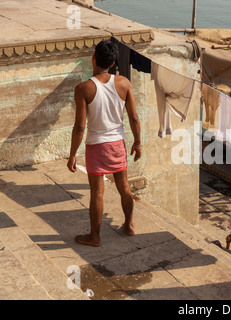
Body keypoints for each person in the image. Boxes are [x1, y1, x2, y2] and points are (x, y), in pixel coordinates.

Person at [67, 39, 142, 247]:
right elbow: (134, 117)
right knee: (124, 187)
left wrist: (73, 154)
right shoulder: (124, 83)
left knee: (97, 193)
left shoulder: (83, 88)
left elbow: (80, 127)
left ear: (93, 59)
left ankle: (95, 236)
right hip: (117, 143)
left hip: (96, 146)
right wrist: (138, 142)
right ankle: (128, 226)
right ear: (113, 62)